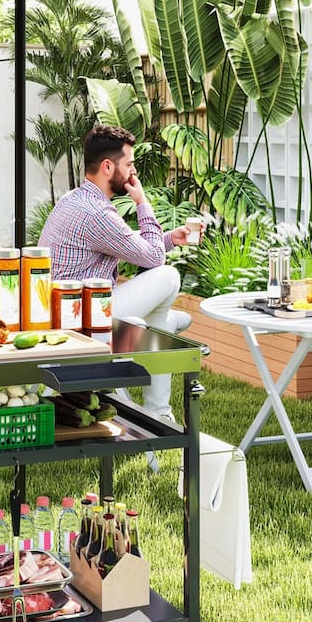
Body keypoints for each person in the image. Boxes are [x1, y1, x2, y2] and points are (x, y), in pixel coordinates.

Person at [39, 124, 195, 421]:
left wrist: (170, 239)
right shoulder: (99, 214)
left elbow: (135, 247)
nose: (133, 174)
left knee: (140, 323)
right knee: (169, 276)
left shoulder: (76, 200)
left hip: (67, 312)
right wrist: (142, 202)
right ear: (108, 166)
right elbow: (152, 259)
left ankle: (159, 328)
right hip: (81, 319)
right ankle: (159, 409)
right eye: (129, 165)